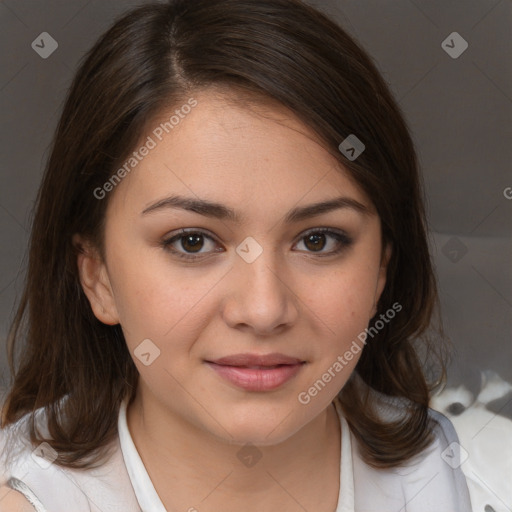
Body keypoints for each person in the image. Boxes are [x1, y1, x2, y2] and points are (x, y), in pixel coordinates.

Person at [0, 0, 472, 510]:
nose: (264, 310)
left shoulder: (468, 478)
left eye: (318, 240)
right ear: (97, 277)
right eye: (192, 241)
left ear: (382, 266)